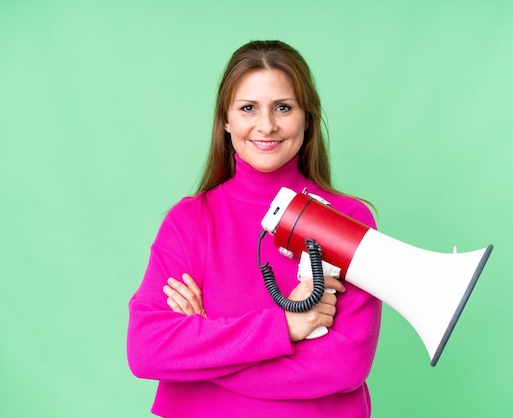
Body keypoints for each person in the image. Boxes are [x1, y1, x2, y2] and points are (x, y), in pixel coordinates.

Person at [127, 40, 382, 418]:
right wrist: (284, 327)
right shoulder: (190, 221)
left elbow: (344, 365)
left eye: (283, 107)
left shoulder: (347, 220)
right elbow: (147, 350)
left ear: (306, 118)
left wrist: (203, 350)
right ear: (226, 120)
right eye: (248, 108)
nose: (266, 125)